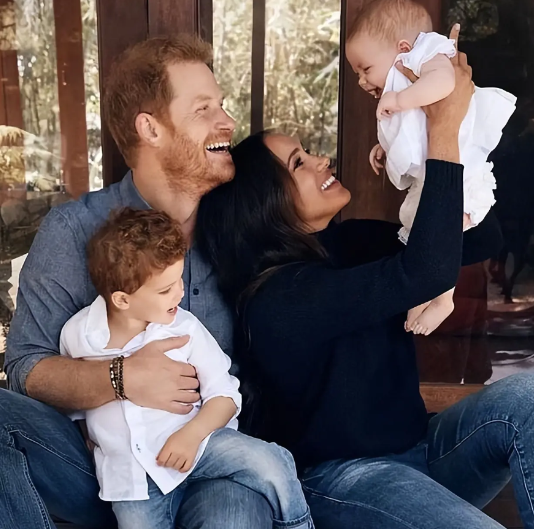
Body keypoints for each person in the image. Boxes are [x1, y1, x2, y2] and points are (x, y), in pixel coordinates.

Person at [197, 32, 534, 529]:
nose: (321, 161)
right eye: (299, 164)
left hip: (426, 450)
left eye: (308, 152)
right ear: (265, 205)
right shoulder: (278, 299)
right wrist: (443, 128)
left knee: (525, 400)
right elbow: (425, 272)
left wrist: (430, 144)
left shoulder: (348, 242)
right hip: (347, 480)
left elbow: (478, 239)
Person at [1, 35, 275, 529]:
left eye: (222, 105)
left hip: (212, 459)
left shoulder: (241, 228)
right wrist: (119, 379)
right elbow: (25, 367)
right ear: (150, 128)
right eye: (203, 109)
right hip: (102, 469)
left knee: (235, 516)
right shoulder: (73, 231)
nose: (227, 122)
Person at [60, 208, 312, 529]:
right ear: (122, 300)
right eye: (165, 290)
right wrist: (93, 438)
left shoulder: (184, 328)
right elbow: (76, 403)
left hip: (201, 446)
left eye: (179, 279)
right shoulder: (78, 335)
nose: (179, 293)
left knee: (274, 462)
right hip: (131, 481)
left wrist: (190, 436)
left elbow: (225, 395)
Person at [345, 0, 516, 335]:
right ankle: (425, 291)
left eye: (365, 69)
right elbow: (414, 130)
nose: (362, 82)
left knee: (442, 231)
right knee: (420, 228)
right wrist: (386, 147)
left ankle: (443, 297)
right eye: (356, 74)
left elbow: (444, 84)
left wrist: (399, 100)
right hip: (435, 173)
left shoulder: (428, 55)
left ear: (403, 48)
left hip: (461, 171)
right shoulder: (406, 80)